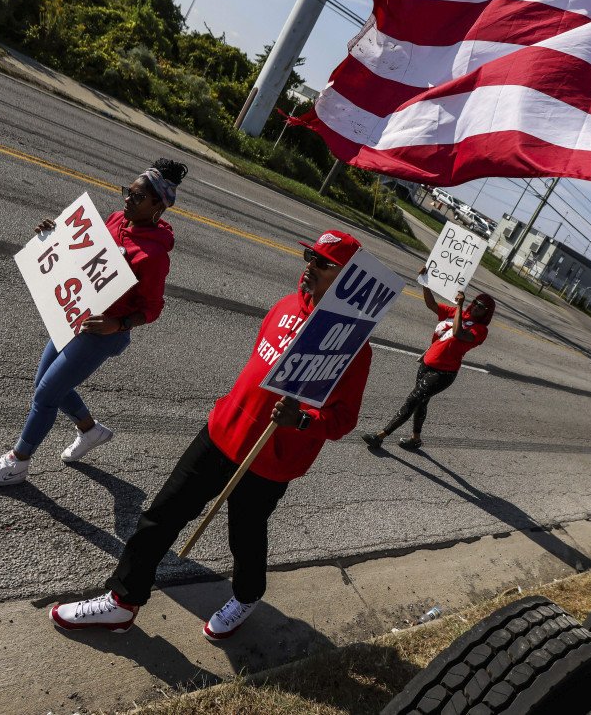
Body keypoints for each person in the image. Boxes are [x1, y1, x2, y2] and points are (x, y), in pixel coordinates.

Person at [50, 231, 372, 640]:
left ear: (347, 280)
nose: (308, 265)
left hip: (269, 458)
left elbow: (343, 420)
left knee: (245, 534)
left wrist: (303, 420)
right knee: (161, 514)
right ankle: (121, 603)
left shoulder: (354, 348)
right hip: (223, 433)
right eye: (309, 255)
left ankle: (247, 595)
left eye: (322, 262)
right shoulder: (285, 306)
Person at [0, 159, 188, 489]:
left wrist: (118, 324)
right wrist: (55, 237)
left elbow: (152, 309)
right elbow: (83, 255)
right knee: (45, 383)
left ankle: (17, 463)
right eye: (128, 191)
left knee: (46, 395)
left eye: (136, 197)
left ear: (157, 206)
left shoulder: (154, 256)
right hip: (74, 314)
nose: (126, 199)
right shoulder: (115, 220)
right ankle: (89, 429)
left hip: (101, 334)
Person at [362, 269, 494, 450]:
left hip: (444, 373)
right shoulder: (457, 313)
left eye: (482, 307)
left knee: (412, 400)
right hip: (427, 363)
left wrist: (460, 307)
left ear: (487, 313)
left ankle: (380, 435)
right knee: (421, 402)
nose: (477, 306)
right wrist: (425, 283)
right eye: (476, 302)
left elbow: (457, 333)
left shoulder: (480, 330)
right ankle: (415, 439)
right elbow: (432, 305)